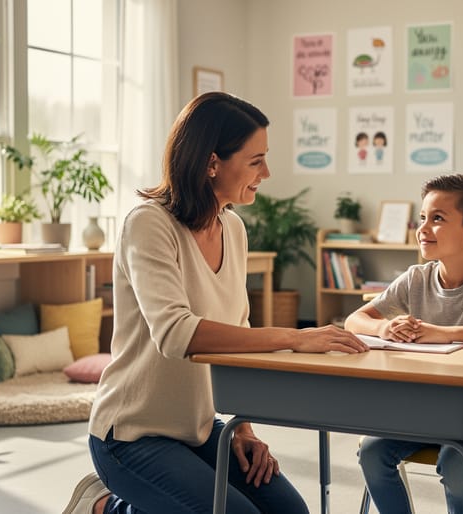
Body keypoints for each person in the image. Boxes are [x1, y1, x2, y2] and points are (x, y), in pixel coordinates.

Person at [62, 92, 369, 514]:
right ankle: (104, 506)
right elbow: (176, 334)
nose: (267, 172)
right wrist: (296, 337)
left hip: (201, 429)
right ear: (211, 163)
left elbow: (237, 335)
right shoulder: (149, 224)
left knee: (291, 512)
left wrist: (242, 427)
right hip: (131, 436)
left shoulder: (234, 229)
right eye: (255, 160)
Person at [346, 174, 463, 514]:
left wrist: (446, 333)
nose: (423, 228)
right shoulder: (415, 278)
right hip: (426, 408)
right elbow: (355, 320)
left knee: (455, 456)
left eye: (437, 219)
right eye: (422, 218)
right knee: (373, 451)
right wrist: (386, 326)